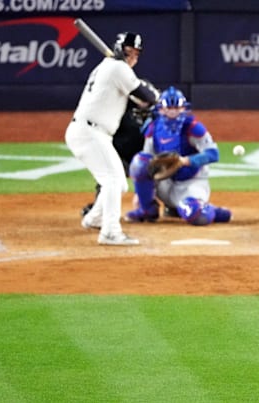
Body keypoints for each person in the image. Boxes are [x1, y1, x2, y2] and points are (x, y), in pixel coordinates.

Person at [65, 32, 159, 245]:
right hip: (89, 132)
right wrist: (154, 96)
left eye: (136, 53)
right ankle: (110, 232)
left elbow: (137, 98)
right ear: (119, 49)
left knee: (119, 184)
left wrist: (145, 95)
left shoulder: (109, 67)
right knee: (112, 180)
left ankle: (94, 218)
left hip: (94, 133)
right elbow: (146, 96)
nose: (132, 57)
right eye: (129, 51)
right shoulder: (117, 68)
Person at [125, 86, 231, 225]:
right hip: (165, 182)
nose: (173, 112)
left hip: (191, 182)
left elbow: (213, 154)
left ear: (184, 109)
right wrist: (140, 195)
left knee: (197, 216)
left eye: (177, 108)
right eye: (169, 108)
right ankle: (147, 210)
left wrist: (184, 161)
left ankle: (215, 212)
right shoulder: (152, 128)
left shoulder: (193, 127)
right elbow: (147, 163)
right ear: (161, 109)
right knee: (140, 162)